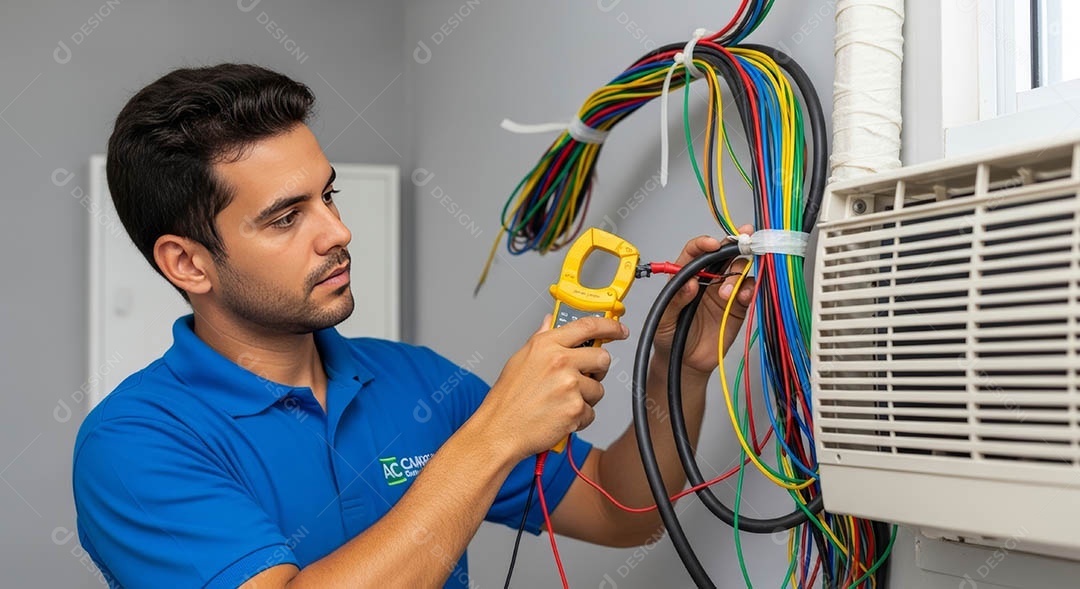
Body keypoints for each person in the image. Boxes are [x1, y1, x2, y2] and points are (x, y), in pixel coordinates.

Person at [72, 63, 753, 588]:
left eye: (328, 195)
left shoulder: (415, 380)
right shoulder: (134, 444)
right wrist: (492, 438)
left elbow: (620, 510)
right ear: (188, 263)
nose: (337, 231)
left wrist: (679, 369)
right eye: (287, 217)